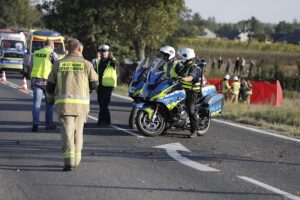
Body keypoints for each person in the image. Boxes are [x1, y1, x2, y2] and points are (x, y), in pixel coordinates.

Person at [46, 38, 98, 171]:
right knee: (78, 133)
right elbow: (94, 84)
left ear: (68, 49)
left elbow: (50, 85)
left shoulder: (59, 63)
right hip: (82, 107)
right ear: (79, 49)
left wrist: (50, 99)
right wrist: (89, 90)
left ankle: (69, 161)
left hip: (64, 106)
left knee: (67, 133)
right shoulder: (87, 64)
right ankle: (77, 159)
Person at [30, 40, 58, 132]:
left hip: (36, 80)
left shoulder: (36, 53)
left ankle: (35, 124)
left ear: (44, 45)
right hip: (48, 82)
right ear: (52, 46)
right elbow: (58, 67)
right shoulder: (52, 54)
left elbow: (31, 65)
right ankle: (48, 124)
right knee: (49, 103)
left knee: (36, 103)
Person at [176, 48, 201, 138]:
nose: (179, 58)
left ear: (186, 57)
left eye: (181, 56)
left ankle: (194, 130)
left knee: (190, 109)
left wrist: (182, 78)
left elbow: (190, 78)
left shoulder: (194, 67)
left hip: (192, 91)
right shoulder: (184, 66)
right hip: (183, 90)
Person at [96, 44, 118, 126]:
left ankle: (101, 121)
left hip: (108, 86)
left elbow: (116, 63)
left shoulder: (111, 61)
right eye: (102, 52)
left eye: (105, 52)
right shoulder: (99, 61)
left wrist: (112, 57)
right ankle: (107, 121)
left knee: (104, 103)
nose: (103, 53)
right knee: (101, 103)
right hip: (100, 85)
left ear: (108, 52)